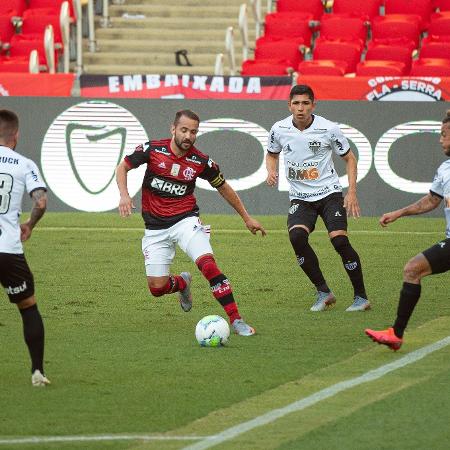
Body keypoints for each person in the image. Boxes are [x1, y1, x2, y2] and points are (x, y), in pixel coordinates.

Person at [116, 109, 266, 335]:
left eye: (193, 132)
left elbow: (223, 187)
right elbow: (123, 167)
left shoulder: (201, 161)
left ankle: (236, 320)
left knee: (208, 265)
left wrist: (246, 217)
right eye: (184, 130)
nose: (188, 136)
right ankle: (182, 284)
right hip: (155, 229)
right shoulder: (153, 150)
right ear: (173, 129)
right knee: (157, 288)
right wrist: (125, 195)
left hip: (186, 221)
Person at [266, 84, 370, 312]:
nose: (300, 108)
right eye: (296, 103)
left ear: (313, 105)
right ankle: (323, 291)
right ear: (289, 105)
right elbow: (272, 154)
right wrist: (270, 170)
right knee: (297, 239)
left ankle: (361, 297)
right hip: (300, 198)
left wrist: (351, 191)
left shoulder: (329, 129)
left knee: (339, 241)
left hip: (329, 193)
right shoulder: (279, 129)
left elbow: (350, 158)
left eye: (305, 103)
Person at [365, 110, 450, 351]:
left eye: (444, 134)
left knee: (413, 269)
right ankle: (395, 334)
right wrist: (399, 213)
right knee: (413, 270)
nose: (440, 139)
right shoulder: (445, 168)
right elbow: (432, 200)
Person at [0, 110, 50, 386]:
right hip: (8, 249)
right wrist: (29, 223)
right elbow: (40, 202)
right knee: (27, 306)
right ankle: (37, 372)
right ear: (15, 136)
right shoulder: (23, 163)